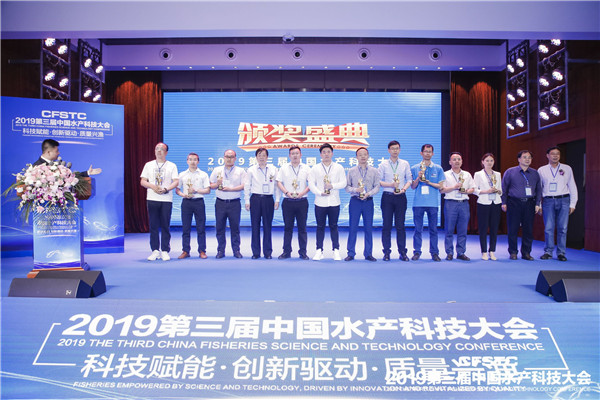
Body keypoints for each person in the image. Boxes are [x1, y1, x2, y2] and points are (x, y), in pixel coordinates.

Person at [140, 142, 179, 261]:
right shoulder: (148, 165)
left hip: (166, 199)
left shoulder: (172, 165)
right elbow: (143, 181)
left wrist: (166, 189)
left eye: (162, 149)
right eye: (157, 148)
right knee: (153, 225)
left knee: (165, 225)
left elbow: (176, 181)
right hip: (152, 198)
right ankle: (155, 250)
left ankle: (165, 250)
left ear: (166, 152)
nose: (159, 151)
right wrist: (152, 186)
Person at [538, 146, 578, 261]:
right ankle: (548, 252)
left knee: (563, 228)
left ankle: (561, 253)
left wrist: (573, 204)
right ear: (547, 156)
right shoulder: (542, 170)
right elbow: (539, 189)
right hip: (548, 201)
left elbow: (572, 186)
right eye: (552, 154)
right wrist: (539, 205)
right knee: (548, 228)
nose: (555, 156)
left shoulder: (567, 168)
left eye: (557, 154)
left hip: (564, 200)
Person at [308, 143, 347, 261]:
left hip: (334, 202)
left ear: (332, 153)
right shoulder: (315, 168)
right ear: (320, 154)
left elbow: (344, 183)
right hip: (320, 202)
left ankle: (336, 250)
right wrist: (320, 193)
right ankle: (319, 250)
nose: (326, 154)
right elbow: (311, 184)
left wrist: (332, 186)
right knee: (320, 226)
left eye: (328, 152)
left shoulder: (339, 167)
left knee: (334, 226)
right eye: (324, 152)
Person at [501, 150, 542, 261]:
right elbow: (504, 188)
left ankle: (526, 253)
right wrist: (504, 202)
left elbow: (539, 189)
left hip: (530, 203)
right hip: (514, 203)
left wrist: (537, 203)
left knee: (528, 229)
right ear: (519, 159)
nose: (527, 159)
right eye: (524, 157)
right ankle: (513, 252)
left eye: (529, 157)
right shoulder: (510, 172)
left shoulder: (535, 173)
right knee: (513, 228)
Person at [378, 140, 413, 261]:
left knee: (400, 226)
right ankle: (386, 252)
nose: (395, 151)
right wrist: (391, 185)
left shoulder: (405, 163)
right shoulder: (383, 164)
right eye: (393, 148)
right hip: (387, 197)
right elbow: (378, 181)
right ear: (389, 150)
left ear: (400, 150)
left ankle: (402, 252)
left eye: (397, 148)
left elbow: (409, 180)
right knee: (386, 226)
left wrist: (403, 189)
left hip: (401, 197)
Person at [410, 144, 445, 261]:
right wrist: (418, 178)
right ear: (421, 153)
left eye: (430, 152)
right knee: (418, 229)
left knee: (433, 230)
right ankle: (417, 252)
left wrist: (428, 182)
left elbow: (440, 186)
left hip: (433, 203)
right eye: (425, 151)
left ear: (433, 154)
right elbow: (413, 186)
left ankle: (434, 253)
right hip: (418, 203)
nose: (427, 153)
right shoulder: (415, 168)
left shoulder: (438, 168)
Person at [345, 147, 380, 261]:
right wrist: (356, 190)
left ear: (368, 156)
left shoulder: (374, 171)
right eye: (360, 155)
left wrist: (368, 193)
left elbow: (377, 186)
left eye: (365, 154)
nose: (363, 156)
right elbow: (347, 187)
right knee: (353, 227)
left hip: (368, 202)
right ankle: (351, 253)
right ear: (356, 157)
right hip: (355, 201)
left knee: (368, 228)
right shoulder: (351, 171)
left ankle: (368, 253)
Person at [244, 147, 280, 259]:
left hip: (268, 199)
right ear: (256, 157)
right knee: (255, 226)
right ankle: (255, 252)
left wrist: (277, 199)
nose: (261, 157)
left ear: (267, 157)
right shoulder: (251, 170)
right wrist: (247, 200)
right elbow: (247, 185)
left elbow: (277, 186)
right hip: (255, 199)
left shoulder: (273, 169)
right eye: (259, 155)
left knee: (267, 226)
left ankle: (267, 252)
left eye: (264, 155)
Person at [210, 149, 246, 259]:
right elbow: (211, 185)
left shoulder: (241, 171)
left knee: (235, 228)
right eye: (227, 156)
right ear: (223, 158)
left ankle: (236, 250)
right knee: (220, 228)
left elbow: (244, 185)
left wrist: (231, 189)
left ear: (235, 158)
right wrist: (217, 184)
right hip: (220, 203)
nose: (229, 159)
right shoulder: (217, 170)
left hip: (234, 203)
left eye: (231, 157)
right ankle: (220, 250)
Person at [276, 146, 311, 260]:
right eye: (292, 153)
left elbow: (311, 183)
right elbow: (279, 182)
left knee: (302, 228)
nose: (295, 155)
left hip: (302, 201)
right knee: (288, 228)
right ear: (289, 155)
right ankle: (286, 252)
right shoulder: (284, 168)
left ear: (301, 155)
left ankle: (303, 252)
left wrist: (302, 193)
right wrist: (286, 192)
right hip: (288, 201)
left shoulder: (306, 168)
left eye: (297, 153)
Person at [440, 152, 475, 261]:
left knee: (463, 230)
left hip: (464, 203)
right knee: (449, 230)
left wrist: (466, 191)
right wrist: (454, 187)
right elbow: (442, 190)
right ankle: (449, 253)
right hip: (451, 203)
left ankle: (461, 252)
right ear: (450, 162)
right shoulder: (445, 174)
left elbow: (473, 189)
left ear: (462, 161)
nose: (457, 161)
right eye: (454, 159)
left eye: (459, 159)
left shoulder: (467, 174)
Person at [175, 152, 210, 259]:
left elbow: (208, 190)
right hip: (186, 202)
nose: (192, 162)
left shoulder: (203, 174)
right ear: (187, 161)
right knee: (186, 228)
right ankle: (185, 251)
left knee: (201, 227)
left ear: (198, 161)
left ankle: (202, 251)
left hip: (199, 202)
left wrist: (196, 190)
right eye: (190, 159)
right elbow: (177, 190)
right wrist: (183, 195)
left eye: (195, 159)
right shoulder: (182, 174)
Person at [473, 153, 502, 261]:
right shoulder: (478, 174)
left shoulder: (497, 174)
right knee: (483, 228)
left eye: (491, 161)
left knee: (494, 228)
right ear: (483, 162)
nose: (489, 163)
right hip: (483, 203)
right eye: (487, 161)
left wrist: (498, 191)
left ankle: (492, 251)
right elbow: (475, 190)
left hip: (496, 202)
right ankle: (484, 251)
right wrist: (487, 191)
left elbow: (501, 190)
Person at [34, 138, 102, 176]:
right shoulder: (36, 167)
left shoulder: (57, 164)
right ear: (48, 152)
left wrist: (88, 172)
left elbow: (69, 177)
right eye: (57, 151)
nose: (59, 153)